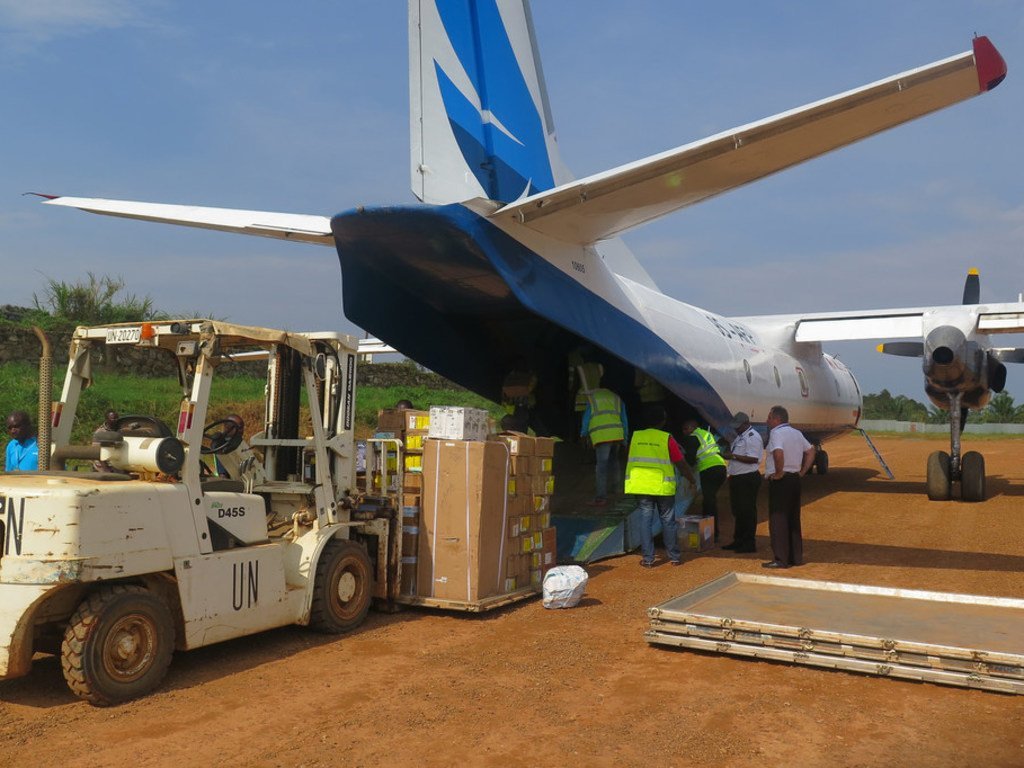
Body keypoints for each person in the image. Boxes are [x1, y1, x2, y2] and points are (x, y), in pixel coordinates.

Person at [626, 405, 696, 568]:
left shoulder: (635, 437)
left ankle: (648, 559)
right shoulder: (666, 438)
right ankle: (674, 557)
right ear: (663, 421)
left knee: (645, 520)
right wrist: (691, 479)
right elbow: (681, 462)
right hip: (663, 486)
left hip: (641, 485)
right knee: (668, 520)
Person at [762, 405, 816, 569]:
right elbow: (811, 450)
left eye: (769, 417)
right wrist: (803, 471)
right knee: (793, 518)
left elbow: (778, 453)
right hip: (794, 479)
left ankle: (781, 559)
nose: (767, 420)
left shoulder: (776, 433)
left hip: (782, 480)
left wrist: (778, 473)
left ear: (777, 419)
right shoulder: (796, 433)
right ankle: (795, 556)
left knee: (778, 519)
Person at [720, 412, 763, 553]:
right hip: (737, 478)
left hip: (747, 478)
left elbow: (753, 458)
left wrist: (732, 455)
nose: (736, 429)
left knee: (747, 511)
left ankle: (749, 543)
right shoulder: (740, 437)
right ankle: (738, 540)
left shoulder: (753, 437)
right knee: (737, 510)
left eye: (738, 426)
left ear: (746, 423)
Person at [680, 418, 727, 541]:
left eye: (686, 429)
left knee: (709, 502)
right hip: (721, 467)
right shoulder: (706, 434)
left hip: (709, 469)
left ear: (692, 427)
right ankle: (710, 530)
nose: (684, 432)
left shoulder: (692, 437)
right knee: (709, 499)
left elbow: (690, 460)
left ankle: (712, 533)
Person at [580, 386, 628, 506]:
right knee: (615, 461)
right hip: (616, 434)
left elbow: (586, 419)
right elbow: (624, 420)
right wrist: (625, 438)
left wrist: (583, 434)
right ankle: (616, 489)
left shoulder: (592, 399)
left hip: (602, 436)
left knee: (601, 467)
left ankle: (601, 497)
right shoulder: (617, 399)